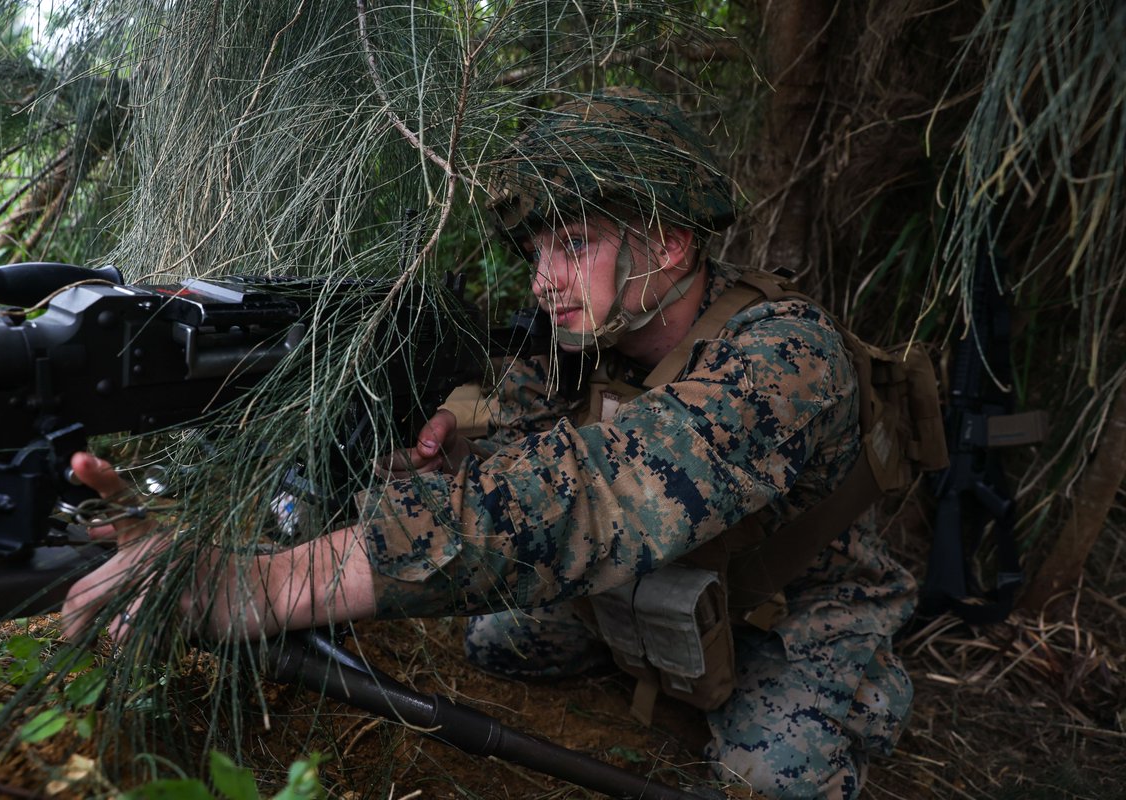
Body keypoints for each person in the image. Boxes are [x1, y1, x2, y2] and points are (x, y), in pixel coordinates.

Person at [63, 88, 916, 799]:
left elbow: (596, 491)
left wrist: (265, 584)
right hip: (654, 576)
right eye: (538, 249)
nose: (544, 279)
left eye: (575, 244)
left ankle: (863, 680)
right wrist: (446, 454)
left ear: (669, 241)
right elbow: (523, 460)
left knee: (768, 777)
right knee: (496, 641)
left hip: (786, 610)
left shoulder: (785, 356)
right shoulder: (585, 347)